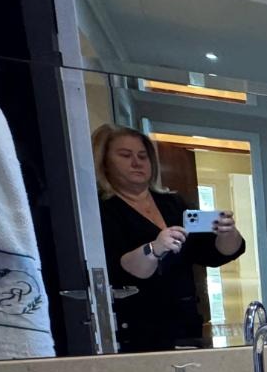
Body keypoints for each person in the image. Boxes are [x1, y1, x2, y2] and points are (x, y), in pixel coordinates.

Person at [93, 125, 246, 352]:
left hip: (184, 322)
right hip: (137, 325)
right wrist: (155, 248)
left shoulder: (173, 203)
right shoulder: (103, 210)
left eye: (142, 156)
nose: (136, 162)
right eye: (125, 155)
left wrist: (228, 232)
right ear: (105, 162)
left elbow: (213, 254)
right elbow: (122, 268)